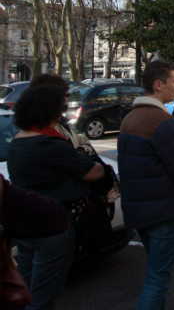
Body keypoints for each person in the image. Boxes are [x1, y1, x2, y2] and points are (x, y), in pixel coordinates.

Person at [7, 85, 105, 310]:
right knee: (44, 295)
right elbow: (94, 172)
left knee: (27, 287)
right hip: (52, 226)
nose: (61, 114)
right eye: (59, 109)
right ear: (48, 111)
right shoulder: (48, 144)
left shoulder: (18, 142)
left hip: (24, 224)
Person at [119, 59, 174, 310]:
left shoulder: (130, 119)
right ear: (158, 84)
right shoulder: (162, 122)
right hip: (163, 211)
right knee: (157, 280)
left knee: (155, 274)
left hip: (140, 209)